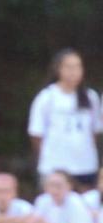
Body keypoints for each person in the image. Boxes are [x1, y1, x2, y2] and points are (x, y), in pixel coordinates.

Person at [28, 49, 102, 191]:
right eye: (69, 67)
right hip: (55, 166)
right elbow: (36, 134)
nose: (73, 72)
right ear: (58, 69)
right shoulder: (47, 97)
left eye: (77, 67)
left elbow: (95, 131)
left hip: (85, 166)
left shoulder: (90, 97)